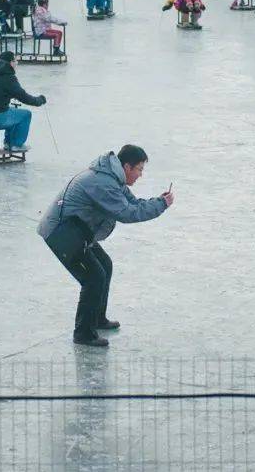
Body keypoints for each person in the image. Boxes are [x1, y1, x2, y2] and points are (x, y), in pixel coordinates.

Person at [36, 145, 173, 347]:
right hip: (61, 233)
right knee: (94, 277)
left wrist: (158, 201)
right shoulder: (104, 183)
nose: (140, 175)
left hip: (77, 230)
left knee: (104, 265)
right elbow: (128, 214)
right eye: (139, 169)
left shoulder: (113, 179)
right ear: (127, 167)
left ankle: (97, 318)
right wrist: (162, 205)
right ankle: (83, 333)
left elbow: (133, 204)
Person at [0, 51, 46, 153]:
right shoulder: (8, 77)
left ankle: (8, 143)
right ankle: (16, 144)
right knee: (26, 114)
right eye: (15, 61)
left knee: (14, 111)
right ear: (10, 62)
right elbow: (24, 97)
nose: (16, 64)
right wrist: (39, 100)